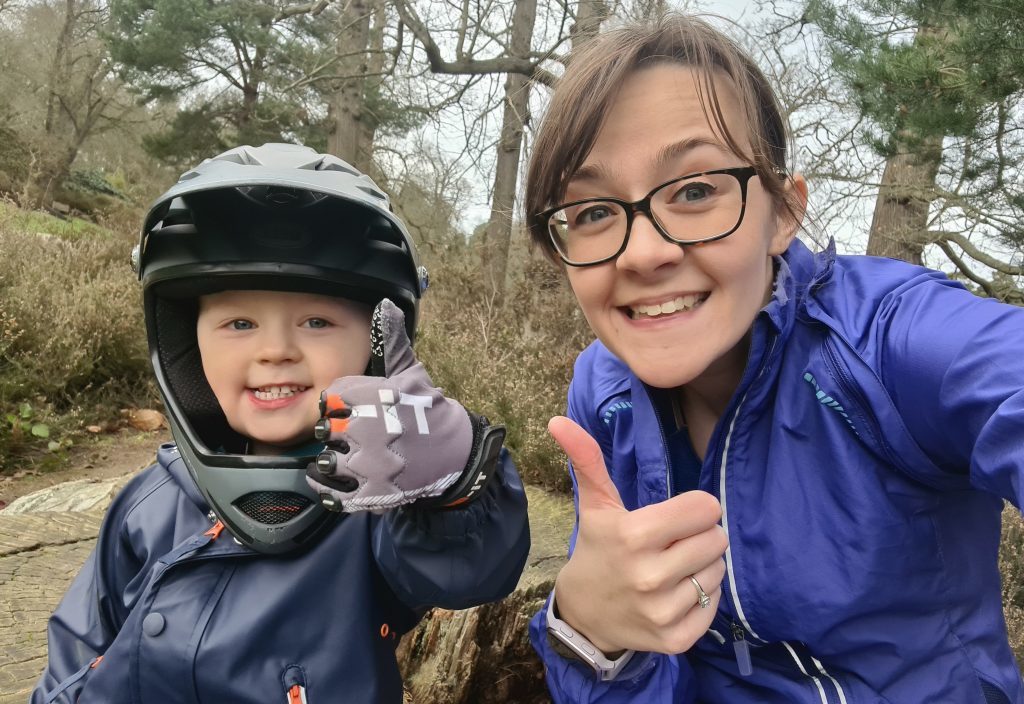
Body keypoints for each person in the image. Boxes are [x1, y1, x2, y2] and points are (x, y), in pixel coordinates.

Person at [525, 13, 1024, 704]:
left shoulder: (886, 344)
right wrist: (588, 633)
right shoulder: (602, 395)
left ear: (783, 212)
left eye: (696, 191)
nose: (642, 254)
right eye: (591, 212)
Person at [31, 143, 530, 704]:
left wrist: (455, 483)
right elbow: (78, 648)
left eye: (316, 321)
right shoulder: (150, 502)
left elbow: (467, 570)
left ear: (373, 350)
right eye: (239, 322)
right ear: (184, 347)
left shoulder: (377, 510)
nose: (275, 351)